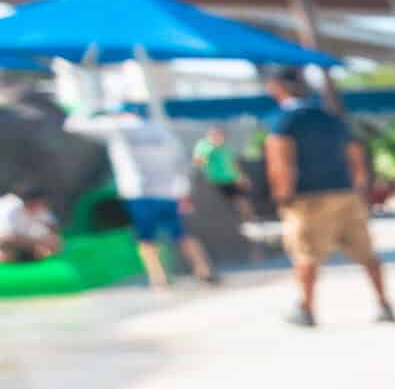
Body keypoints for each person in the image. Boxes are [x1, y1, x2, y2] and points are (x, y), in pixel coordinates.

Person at [263, 65, 395, 328]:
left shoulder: (283, 121)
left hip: (308, 197)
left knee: (306, 255)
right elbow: (356, 156)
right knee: (366, 253)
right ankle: (384, 303)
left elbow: (281, 162)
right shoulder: (330, 117)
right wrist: (358, 188)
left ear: (278, 87)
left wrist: (282, 196)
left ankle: (307, 308)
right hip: (345, 193)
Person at [66, 107, 217, 288]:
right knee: (181, 234)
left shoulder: (119, 127)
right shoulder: (161, 131)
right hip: (168, 193)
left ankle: (158, 278)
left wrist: (87, 111)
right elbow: (181, 163)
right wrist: (183, 191)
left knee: (146, 239)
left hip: (139, 193)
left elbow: (73, 126)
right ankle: (203, 269)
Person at [193, 123, 245, 213]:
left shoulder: (225, 147)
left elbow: (232, 162)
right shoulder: (204, 145)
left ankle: (246, 220)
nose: (219, 137)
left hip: (230, 180)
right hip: (214, 181)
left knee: (240, 201)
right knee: (219, 206)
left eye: (221, 134)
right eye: (215, 134)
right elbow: (198, 161)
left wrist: (239, 176)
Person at [0, 187, 61, 261]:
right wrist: (35, 244)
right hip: (7, 246)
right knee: (6, 255)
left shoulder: (40, 209)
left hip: (26, 244)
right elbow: (4, 238)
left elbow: (54, 231)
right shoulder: (10, 207)